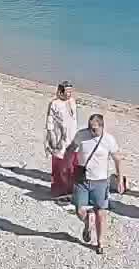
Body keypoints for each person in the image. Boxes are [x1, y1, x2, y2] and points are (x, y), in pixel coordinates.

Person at [68, 113, 126, 254]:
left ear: (102, 126)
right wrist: (66, 159)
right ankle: (88, 220)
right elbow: (71, 148)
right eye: (90, 128)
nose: (92, 131)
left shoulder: (108, 140)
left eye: (94, 129)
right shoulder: (82, 134)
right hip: (82, 179)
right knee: (79, 210)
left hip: (100, 181)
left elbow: (118, 159)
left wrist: (120, 179)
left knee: (101, 213)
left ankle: (101, 243)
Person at [45, 81, 79, 199]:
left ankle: (70, 190)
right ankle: (58, 191)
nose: (69, 94)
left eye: (71, 91)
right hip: (60, 139)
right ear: (60, 91)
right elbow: (49, 124)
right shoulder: (54, 104)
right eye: (67, 91)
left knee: (72, 166)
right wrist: (52, 139)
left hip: (72, 139)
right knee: (59, 166)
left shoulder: (72, 102)